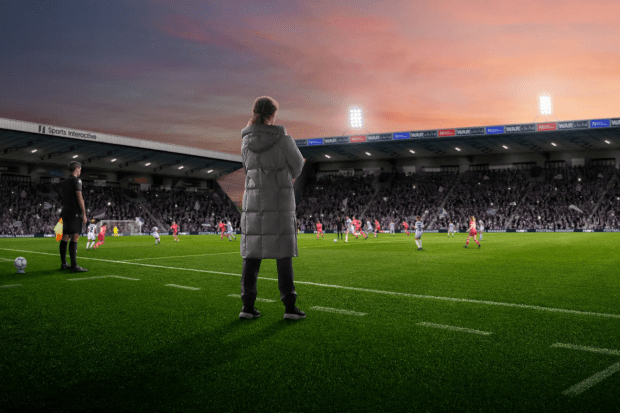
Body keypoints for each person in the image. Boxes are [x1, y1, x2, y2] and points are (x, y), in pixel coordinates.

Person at [239, 96, 305, 320]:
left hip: (253, 204)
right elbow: (298, 166)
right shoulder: (283, 140)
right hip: (279, 203)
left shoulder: (245, 142)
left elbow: (248, 168)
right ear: (272, 115)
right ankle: (289, 307)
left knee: (251, 256)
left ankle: (247, 307)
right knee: (283, 255)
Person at [58, 161, 88, 272]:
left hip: (65, 212)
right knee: (75, 237)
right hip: (74, 213)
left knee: (65, 237)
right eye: (80, 169)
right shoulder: (77, 181)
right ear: (76, 168)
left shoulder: (64, 182)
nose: (80, 171)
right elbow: (80, 198)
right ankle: (74, 266)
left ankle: (64, 264)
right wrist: (84, 213)